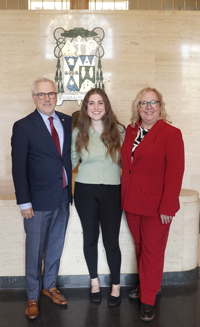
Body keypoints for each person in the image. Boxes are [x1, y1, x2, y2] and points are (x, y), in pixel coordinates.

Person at [121, 87, 185, 322]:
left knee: (153, 252)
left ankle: (148, 300)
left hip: (156, 206)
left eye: (153, 103)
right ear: (137, 107)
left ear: (161, 106)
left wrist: (168, 206)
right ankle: (148, 284)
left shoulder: (171, 133)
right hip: (131, 201)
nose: (148, 107)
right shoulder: (130, 131)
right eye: (143, 103)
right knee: (140, 247)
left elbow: (175, 172)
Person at [11, 77, 72, 320]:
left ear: (57, 96)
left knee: (55, 246)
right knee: (35, 250)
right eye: (42, 95)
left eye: (51, 94)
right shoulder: (23, 126)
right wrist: (24, 202)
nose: (47, 98)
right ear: (34, 98)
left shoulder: (66, 121)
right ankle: (33, 295)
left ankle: (50, 286)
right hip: (36, 201)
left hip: (63, 196)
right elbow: (19, 168)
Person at [71, 88, 125, 307]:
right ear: (85, 107)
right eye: (91, 103)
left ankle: (116, 285)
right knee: (90, 238)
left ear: (106, 106)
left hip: (112, 192)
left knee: (112, 242)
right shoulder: (78, 132)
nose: (95, 107)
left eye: (100, 103)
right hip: (85, 191)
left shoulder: (119, 131)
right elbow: (71, 161)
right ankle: (94, 282)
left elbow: (128, 163)